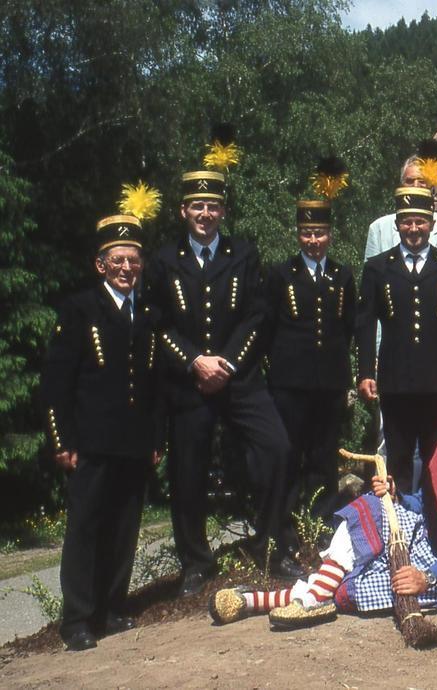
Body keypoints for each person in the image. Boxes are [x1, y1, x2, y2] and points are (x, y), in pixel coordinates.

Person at [208, 375, 437, 628]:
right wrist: (397, 496)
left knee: (348, 591)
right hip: (430, 548)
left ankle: (258, 600)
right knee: (369, 507)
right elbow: (428, 507)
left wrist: (426, 578)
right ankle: (307, 598)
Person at [148, 168, 299, 595]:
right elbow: (157, 325)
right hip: (187, 381)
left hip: (239, 378)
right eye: (198, 206)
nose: (206, 213)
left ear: (223, 211)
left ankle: (271, 543)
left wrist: (227, 363)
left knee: (277, 447)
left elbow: (258, 315)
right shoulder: (163, 260)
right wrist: (195, 361)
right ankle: (196, 563)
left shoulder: (244, 254)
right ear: (183, 211)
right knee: (186, 470)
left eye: (213, 206)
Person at [41, 212, 162, 650]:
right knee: (86, 528)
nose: (127, 268)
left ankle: (111, 608)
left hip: (132, 442)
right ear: (101, 264)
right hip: (90, 443)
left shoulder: (147, 314)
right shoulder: (79, 310)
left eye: (133, 260)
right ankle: (76, 618)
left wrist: (156, 440)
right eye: (118, 260)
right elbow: (56, 383)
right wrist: (61, 441)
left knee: (124, 526)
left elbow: (153, 385)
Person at [356, 186, 437, 494]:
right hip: (396, 383)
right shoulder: (378, 268)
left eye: (420, 222)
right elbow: (366, 323)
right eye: (406, 222)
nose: (413, 229)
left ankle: (436, 529)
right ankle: (400, 529)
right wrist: (366, 371)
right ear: (397, 225)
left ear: (432, 225)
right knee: (398, 460)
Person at [264, 197, 356, 540]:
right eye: (306, 233)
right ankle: (284, 533)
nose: (313, 240)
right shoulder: (280, 274)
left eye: (319, 233)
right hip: (289, 385)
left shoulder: (341, 275)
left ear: (329, 235)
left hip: (329, 384)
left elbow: (346, 327)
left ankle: (321, 531)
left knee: (323, 459)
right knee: (289, 457)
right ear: (298, 235)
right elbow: (268, 326)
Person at [364, 140, 437, 262]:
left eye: (422, 181)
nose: (416, 186)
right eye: (409, 181)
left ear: (432, 184)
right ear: (401, 185)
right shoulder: (379, 229)